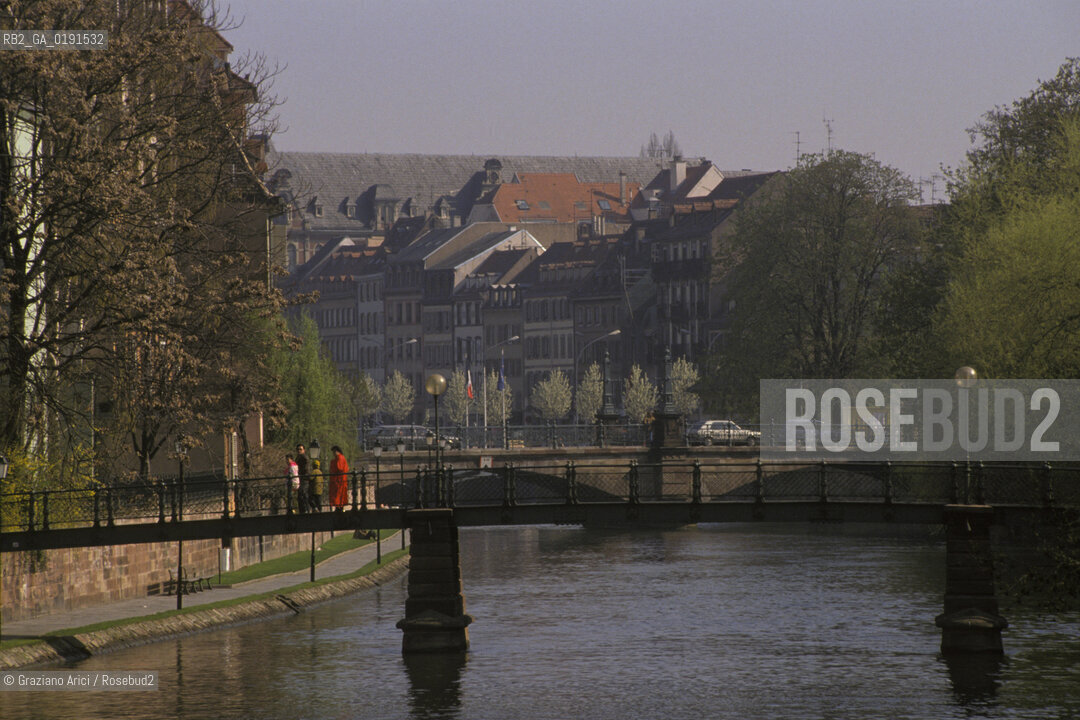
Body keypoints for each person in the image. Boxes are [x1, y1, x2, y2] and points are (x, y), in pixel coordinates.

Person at [295, 443, 309, 513]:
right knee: (301, 494)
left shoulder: (304, 457)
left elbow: (305, 468)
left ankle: (305, 510)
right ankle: (303, 510)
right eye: (298, 449)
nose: (299, 451)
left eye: (300, 449)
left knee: (302, 493)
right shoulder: (298, 458)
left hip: (304, 478)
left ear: (304, 450)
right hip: (300, 478)